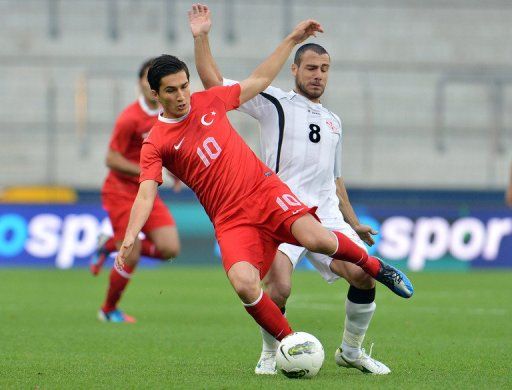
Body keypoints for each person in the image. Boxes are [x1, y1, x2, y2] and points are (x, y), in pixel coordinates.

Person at [115, 6, 413, 367]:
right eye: (172, 91)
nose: (181, 96)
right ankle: (284, 346)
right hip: (231, 219)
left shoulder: (210, 103)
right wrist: (131, 234)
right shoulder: (156, 141)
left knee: (319, 240)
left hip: (267, 193)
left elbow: (256, 79)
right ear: (156, 94)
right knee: (248, 284)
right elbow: (146, 191)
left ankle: (378, 272)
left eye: (183, 87)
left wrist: (291, 38)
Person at [191, 5, 391, 375]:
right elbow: (214, 84)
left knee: (363, 275)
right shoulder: (274, 102)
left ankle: (351, 351)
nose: (318, 76)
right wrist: (202, 36)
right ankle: (271, 352)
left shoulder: (334, 121)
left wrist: (353, 221)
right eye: (311, 68)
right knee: (278, 287)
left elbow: (335, 178)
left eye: (324, 69)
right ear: (295, 69)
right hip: (281, 210)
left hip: (326, 216)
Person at [94, 58, 181, 323]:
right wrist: (146, 172)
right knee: (131, 255)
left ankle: (110, 244)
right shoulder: (130, 118)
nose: (148, 83)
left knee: (170, 248)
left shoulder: (168, 115)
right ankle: (108, 310)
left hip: (147, 191)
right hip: (121, 191)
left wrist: (175, 171)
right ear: (142, 83)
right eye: (145, 78)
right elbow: (111, 159)